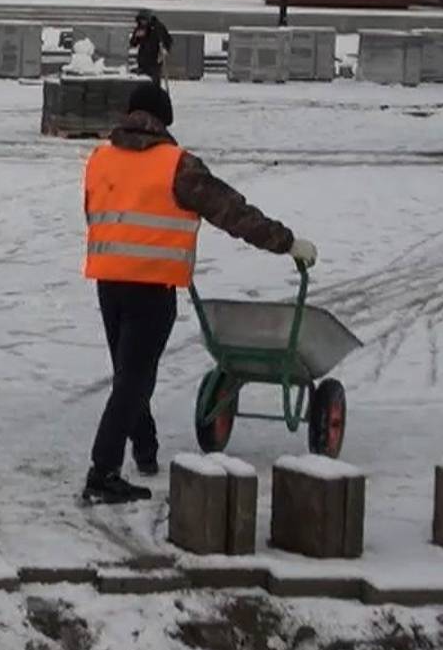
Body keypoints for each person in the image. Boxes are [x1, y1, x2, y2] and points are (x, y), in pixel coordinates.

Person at [80, 81, 315, 503]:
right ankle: (103, 472)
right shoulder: (178, 165)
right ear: (164, 121)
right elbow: (232, 212)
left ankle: (145, 450)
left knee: (128, 375)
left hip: (108, 281)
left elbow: (94, 213)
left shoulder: (100, 158)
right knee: (135, 378)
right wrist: (286, 242)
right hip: (151, 287)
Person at [129, 10, 173, 81]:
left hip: (155, 59)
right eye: (141, 21)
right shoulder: (140, 28)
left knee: (154, 80)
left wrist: (165, 49)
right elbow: (133, 43)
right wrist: (136, 37)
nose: (142, 22)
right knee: (143, 81)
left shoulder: (158, 27)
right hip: (142, 59)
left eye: (144, 20)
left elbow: (167, 40)